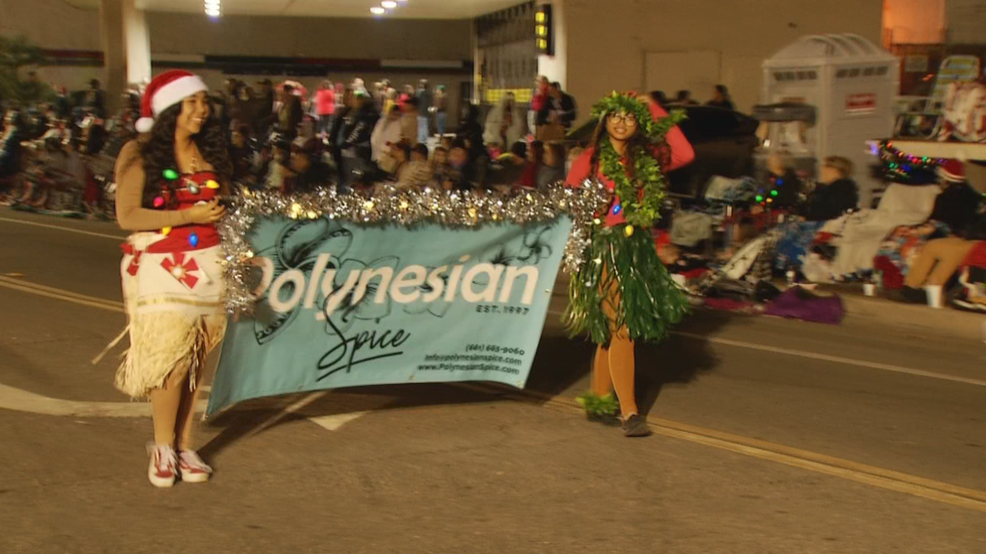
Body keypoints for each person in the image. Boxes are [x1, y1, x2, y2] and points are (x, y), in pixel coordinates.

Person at [109, 70, 230, 487]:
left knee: (195, 364)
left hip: (211, 264)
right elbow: (128, 216)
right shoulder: (139, 152)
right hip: (163, 267)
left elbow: (224, 207)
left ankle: (184, 445)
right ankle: (162, 448)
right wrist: (187, 216)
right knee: (172, 364)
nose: (202, 110)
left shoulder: (207, 151)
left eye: (204, 102)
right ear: (168, 109)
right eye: (192, 102)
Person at [564, 91, 695, 437]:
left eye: (630, 117)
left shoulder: (646, 158)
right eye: (615, 116)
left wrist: (649, 103)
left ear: (638, 124)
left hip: (635, 248)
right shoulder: (590, 160)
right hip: (604, 248)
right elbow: (569, 201)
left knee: (611, 329)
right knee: (623, 326)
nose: (622, 123)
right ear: (604, 121)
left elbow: (685, 153)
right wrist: (593, 210)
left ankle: (598, 398)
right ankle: (629, 412)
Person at [802, 156, 859, 221]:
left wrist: (806, 218)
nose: (822, 169)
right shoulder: (824, 189)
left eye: (826, 166)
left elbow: (827, 213)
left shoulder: (841, 191)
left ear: (836, 170)